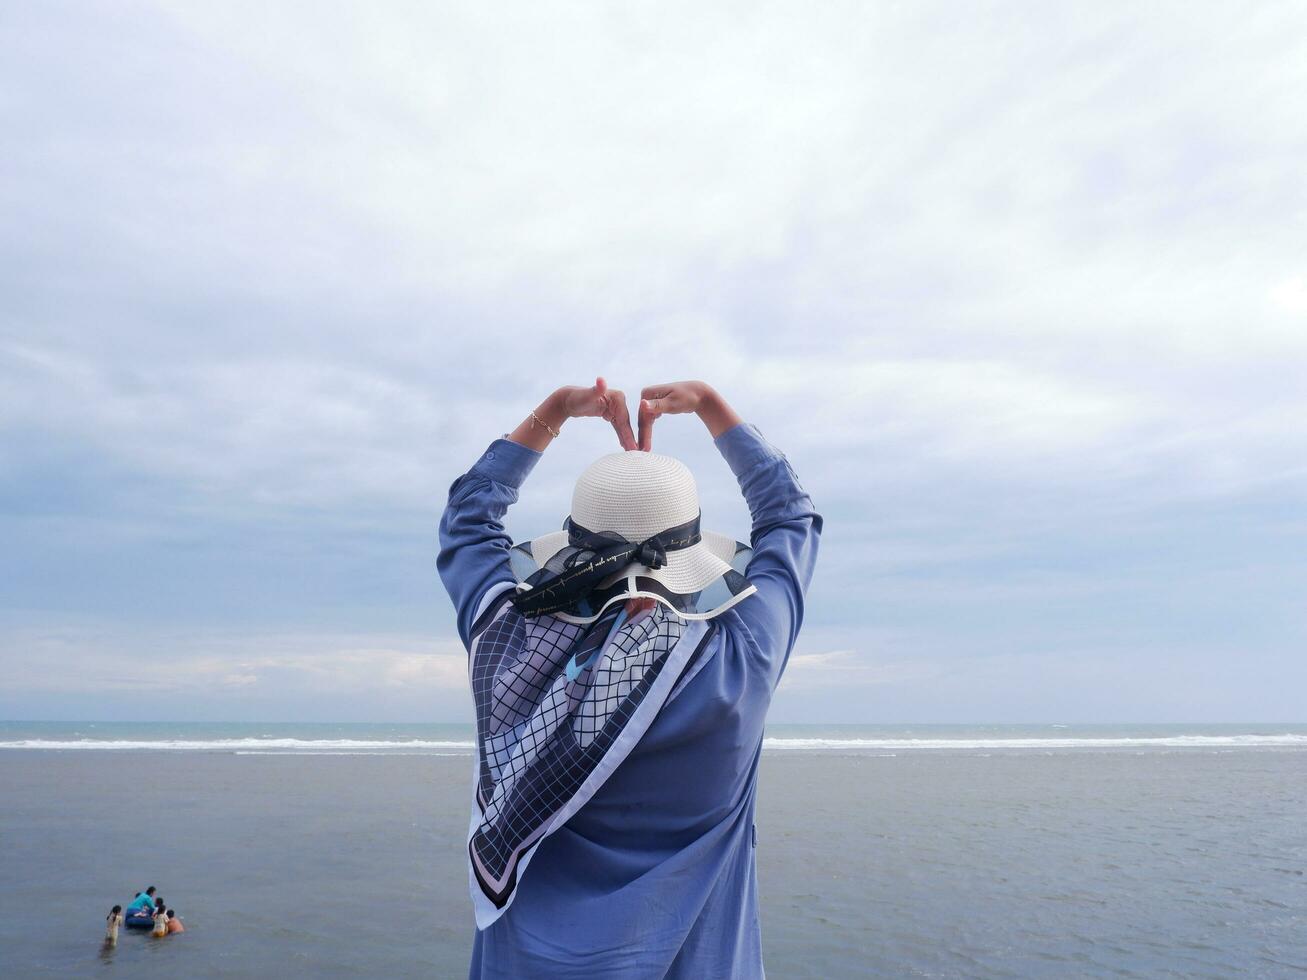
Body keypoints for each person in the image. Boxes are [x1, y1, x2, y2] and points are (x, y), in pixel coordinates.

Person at [439, 378, 821, 978]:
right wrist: (710, 408)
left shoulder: (506, 639)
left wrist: (556, 411)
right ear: (692, 556)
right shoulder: (742, 650)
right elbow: (790, 516)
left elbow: (467, 520)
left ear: (569, 550)